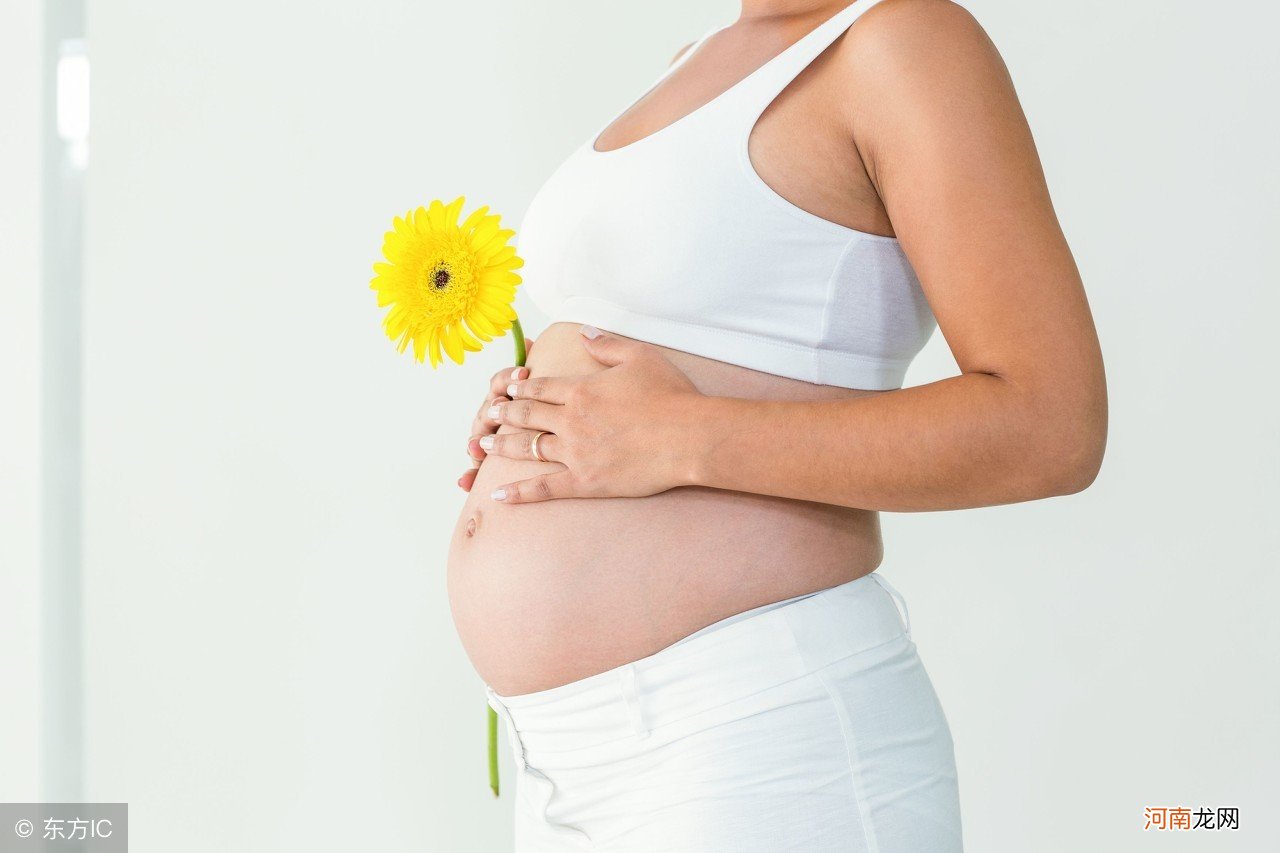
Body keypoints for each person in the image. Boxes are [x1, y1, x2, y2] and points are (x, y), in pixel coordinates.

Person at [447, 0, 1107, 849]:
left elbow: (1052, 424)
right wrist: (544, 406)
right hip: (564, 762)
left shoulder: (904, 40)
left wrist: (678, 435)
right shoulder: (699, 57)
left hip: (759, 739)